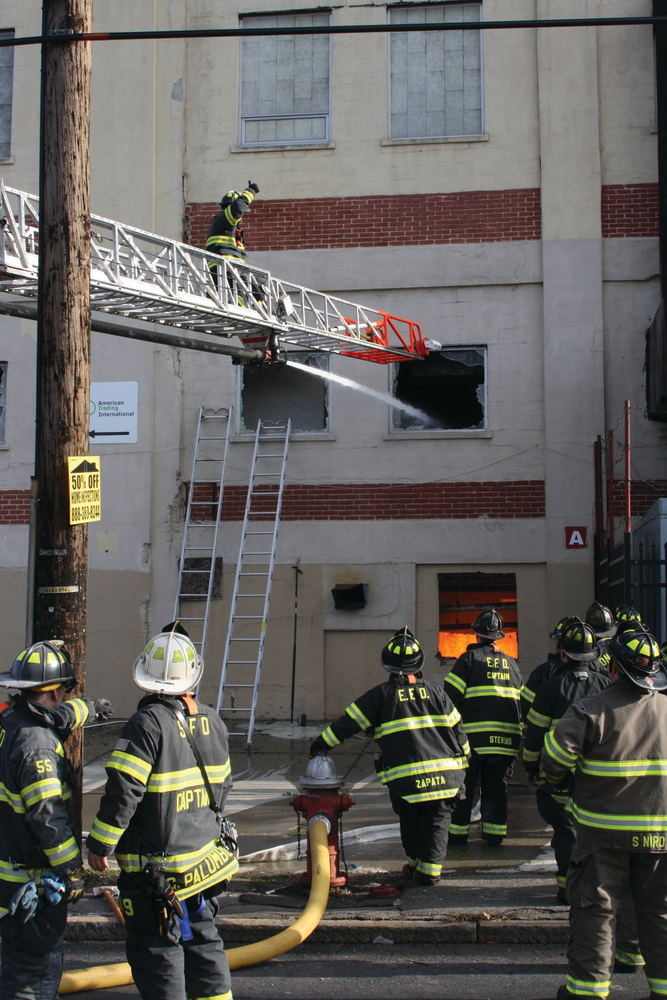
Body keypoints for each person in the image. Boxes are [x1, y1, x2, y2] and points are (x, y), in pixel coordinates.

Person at [87, 622, 238, 1000]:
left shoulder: (146, 725)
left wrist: (100, 846)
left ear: (146, 679)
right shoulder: (212, 721)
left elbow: (124, 791)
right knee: (204, 943)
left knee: (157, 952)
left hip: (155, 872)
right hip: (202, 864)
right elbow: (222, 789)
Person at [542, 628, 667, 1000]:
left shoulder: (589, 710)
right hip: (661, 837)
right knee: (660, 914)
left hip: (602, 838)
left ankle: (588, 991)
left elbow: (555, 760)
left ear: (612, 667)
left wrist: (557, 776)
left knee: (596, 912)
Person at [310, 627, 470, 886]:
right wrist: (464, 764)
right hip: (446, 777)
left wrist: (320, 744)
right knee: (437, 820)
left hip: (408, 782)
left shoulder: (380, 696)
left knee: (411, 819)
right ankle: (428, 870)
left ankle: (421, 867)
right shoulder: (437, 692)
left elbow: (347, 724)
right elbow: (459, 731)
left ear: (387, 664)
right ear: (419, 664)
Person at [0, 639, 113, 1000]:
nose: (66, 698)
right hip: (28, 890)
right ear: (52, 691)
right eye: (64, 691)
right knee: (30, 981)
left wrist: (91, 709)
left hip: (7, 877)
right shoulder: (37, 748)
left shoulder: (11, 721)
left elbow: (60, 715)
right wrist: (72, 871)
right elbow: (49, 818)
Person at [522, 617, 609, 903]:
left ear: (562, 651)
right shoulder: (606, 685)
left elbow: (535, 733)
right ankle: (599, 887)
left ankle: (567, 887)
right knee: (596, 829)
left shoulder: (551, 686)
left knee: (565, 828)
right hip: (597, 774)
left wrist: (531, 768)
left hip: (559, 772)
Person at [445, 610, 522, 846]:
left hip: (474, 740)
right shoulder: (512, 664)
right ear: (498, 636)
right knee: (496, 787)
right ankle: (495, 834)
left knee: (465, 785)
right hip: (507, 741)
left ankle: (458, 834)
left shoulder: (468, 660)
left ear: (476, 634)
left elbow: (448, 698)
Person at [520, 616, 570, 721]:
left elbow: (526, 707)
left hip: (550, 736)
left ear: (557, 645)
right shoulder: (596, 674)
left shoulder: (542, 673)